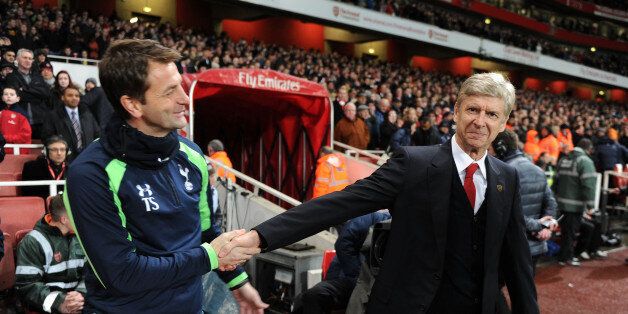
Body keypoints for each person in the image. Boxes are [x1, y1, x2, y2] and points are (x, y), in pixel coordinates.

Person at [223, 72, 539, 313]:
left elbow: (518, 262)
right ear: (456, 111)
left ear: (504, 124)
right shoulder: (413, 164)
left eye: (491, 115)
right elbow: (340, 204)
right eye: (473, 109)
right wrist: (259, 237)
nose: (479, 121)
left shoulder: (506, 178)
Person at [63, 39, 266, 313]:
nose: (184, 98)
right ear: (133, 105)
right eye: (170, 91)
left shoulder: (192, 155)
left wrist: (238, 283)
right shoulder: (91, 173)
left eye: (181, 85)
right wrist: (210, 257)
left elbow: (206, 232)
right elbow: (123, 274)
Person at [292, 211, 391, 314]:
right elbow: (343, 243)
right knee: (313, 295)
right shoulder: (373, 218)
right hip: (350, 279)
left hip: (379, 286)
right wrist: (357, 276)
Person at [491, 130, 557, 273]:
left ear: (500, 148)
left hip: (509, 245)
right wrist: (545, 226)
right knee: (526, 294)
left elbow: (508, 214)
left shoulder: (502, 172)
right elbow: (551, 203)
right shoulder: (538, 170)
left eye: (489, 148)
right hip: (534, 246)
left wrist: (538, 226)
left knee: (493, 292)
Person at [15, 195, 86, 313]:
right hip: (46, 308)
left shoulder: (82, 236)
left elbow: (91, 274)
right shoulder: (32, 242)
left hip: (79, 305)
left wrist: (81, 295)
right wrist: (59, 303)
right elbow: (26, 286)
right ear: (64, 219)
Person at [554, 138, 597, 267]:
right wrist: (591, 206)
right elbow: (589, 185)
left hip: (560, 203)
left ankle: (564, 255)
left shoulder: (564, 159)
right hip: (574, 204)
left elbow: (556, 181)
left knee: (566, 232)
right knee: (570, 233)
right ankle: (566, 257)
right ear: (589, 149)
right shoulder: (585, 161)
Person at [41, 84, 100, 160]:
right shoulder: (53, 116)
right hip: (64, 160)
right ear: (62, 97)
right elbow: (47, 137)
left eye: (77, 96)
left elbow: (97, 135)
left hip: (87, 159)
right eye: (70, 95)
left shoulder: (88, 115)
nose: (74, 98)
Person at [5, 48, 51, 139]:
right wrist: (36, 93)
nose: (28, 61)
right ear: (17, 59)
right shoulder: (11, 77)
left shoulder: (38, 77)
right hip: (20, 119)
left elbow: (45, 94)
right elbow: (17, 96)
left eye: (30, 59)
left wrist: (24, 89)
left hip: (40, 121)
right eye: (25, 58)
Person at [0, 86, 31, 155]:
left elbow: (25, 136)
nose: (8, 96)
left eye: (12, 94)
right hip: (3, 151)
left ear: (18, 98)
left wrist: (4, 137)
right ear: (2, 98)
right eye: (6, 94)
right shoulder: (1, 112)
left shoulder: (22, 114)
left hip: (18, 151)